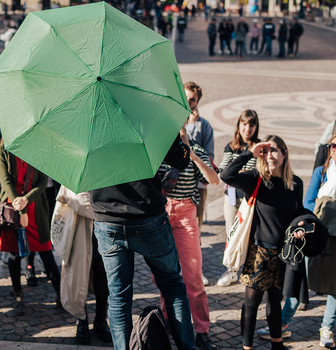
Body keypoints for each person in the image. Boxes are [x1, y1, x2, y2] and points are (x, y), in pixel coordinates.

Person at [91, 135, 196, 350]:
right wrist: (182, 143)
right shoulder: (146, 107)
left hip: (106, 215)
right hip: (147, 214)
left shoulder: (88, 115)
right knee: (173, 286)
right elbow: (181, 160)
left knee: (119, 295)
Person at [270, 134, 336, 348]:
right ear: (329, 148)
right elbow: (308, 203)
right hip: (314, 236)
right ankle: (284, 323)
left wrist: (324, 203)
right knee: (301, 280)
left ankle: (327, 327)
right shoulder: (320, 172)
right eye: (334, 145)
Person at [220, 135, 306, 350]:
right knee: (251, 303)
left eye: (275, 150)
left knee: (276, 302)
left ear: (285, 154)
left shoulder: (295, 183)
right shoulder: (255, 178)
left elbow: (298, 211)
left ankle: (277, 344)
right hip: (259, 253)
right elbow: (226, 175)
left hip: (283, 253)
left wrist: (301, 224)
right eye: (266, 151)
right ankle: (247, 347)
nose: (270, 156)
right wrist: (250, 152)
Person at [158, 126, 220, 350]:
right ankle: (166, 325)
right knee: (165, 274)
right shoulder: (159, 147)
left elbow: (214, 180)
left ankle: (201, 330)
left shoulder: (196, 150)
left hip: (185, 212)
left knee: (193, 276)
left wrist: (192, 156)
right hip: (162, 213)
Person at [0, 142, 63, 315]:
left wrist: (26, 200)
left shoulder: (37, 145)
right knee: (14, 254)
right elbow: (5, 181)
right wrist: (21, 208)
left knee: (46, 252)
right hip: (12, 207)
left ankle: (61, 295)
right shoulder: (2, 149)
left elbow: (42, 182)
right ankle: (18, 296)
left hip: (36, 208)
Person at [55, 186, 111, 345]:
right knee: (79, 276)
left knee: (102, 273)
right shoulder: (76, 164)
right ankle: (81, 318)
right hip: (80, 227)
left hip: (105, 225)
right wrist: (108, 205)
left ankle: (101, 319)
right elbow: (77, 200)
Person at [216, 110, 260, 287]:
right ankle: (232, 270)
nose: (247, 129)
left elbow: (255, 171)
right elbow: (223, 170)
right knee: (231, 232)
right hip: (231, 197)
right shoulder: (231, 146)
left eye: (251, 125)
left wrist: (237, 174)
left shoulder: (257, 148)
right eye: (244, 124)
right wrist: (238, 174)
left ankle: (249, 270)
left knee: (249, 234)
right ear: (238, 125)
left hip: (249, 199)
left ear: (256, 127)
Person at [183, 82, 215, 228]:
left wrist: (191, 126)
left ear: (197, 102)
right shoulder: (173, 121)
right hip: (176, 183)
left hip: (197, 183)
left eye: (192, 99)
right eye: (185, 97)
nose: (188, 101)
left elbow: (209, 156)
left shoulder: (204, 125)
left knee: (196, 223)